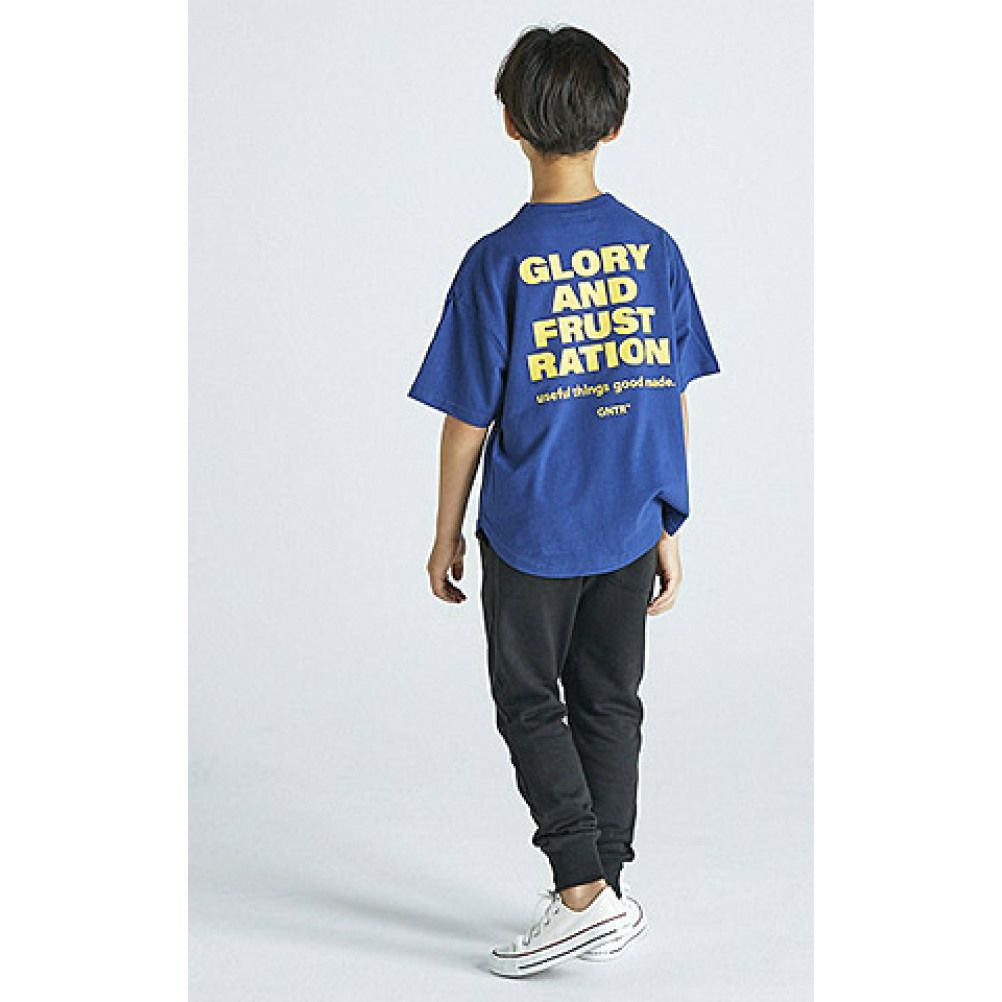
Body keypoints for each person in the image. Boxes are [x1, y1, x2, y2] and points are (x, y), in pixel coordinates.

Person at [406, 24, 720, 978]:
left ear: (510, 123)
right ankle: (605, 894)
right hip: (629, 517)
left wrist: (445, 532)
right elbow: (666, 394)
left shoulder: (496, 261)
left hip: (533, 527)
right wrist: (668, 518)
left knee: (528, 699)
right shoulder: (656, 249)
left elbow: (467, 417)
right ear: (614, 125)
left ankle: (582, 891)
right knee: (611, 703)